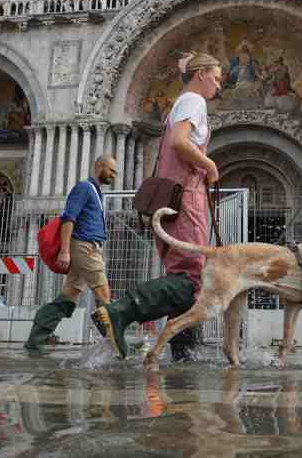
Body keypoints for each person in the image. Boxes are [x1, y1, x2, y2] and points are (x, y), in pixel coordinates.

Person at [92, 52, 223, 360]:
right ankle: (118, 312)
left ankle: (184, 351)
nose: (218, 86)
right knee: (191, 276)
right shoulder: (194, 101)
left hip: (171, 197)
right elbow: (180, 142)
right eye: (216, 78)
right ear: (201, 74)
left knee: (184, 273)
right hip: (185, 197)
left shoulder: (181, 102)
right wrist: (210, 164)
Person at [25, 154, 118, 352]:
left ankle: (35, 339)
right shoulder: (85, 188)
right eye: (111, 170)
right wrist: (65, 252)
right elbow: (69, 218)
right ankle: (116, 344)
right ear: (99, 166)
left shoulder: (96, 192)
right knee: (103, 294)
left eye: (115, 172)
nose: (113, 175)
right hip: (84, 247)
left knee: (69, 296)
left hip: (88, 248)